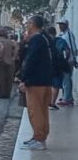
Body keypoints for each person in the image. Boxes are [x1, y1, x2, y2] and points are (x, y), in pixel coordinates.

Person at [19, 16, 55, 151]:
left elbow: (31, 60)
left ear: (33, 25)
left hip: (35, 81)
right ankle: (40, 136)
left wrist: (24, 79)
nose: (26, 25)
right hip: (45, 80)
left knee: (36, 111)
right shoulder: (45, 38)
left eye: (28, 23)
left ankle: (39, 138)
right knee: (43, 110)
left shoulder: (36, 40)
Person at [56, 18, 76, 106]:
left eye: (62, 24)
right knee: (65, 78)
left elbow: (72, 47)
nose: (60, 26)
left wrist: (73, 59)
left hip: (69, 60)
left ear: (66, 25)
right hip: (64, 60)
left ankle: (67, 99)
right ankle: (67, 96)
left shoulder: (69, 34)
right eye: (59, 24)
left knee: (67, 78)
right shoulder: (62, 34)